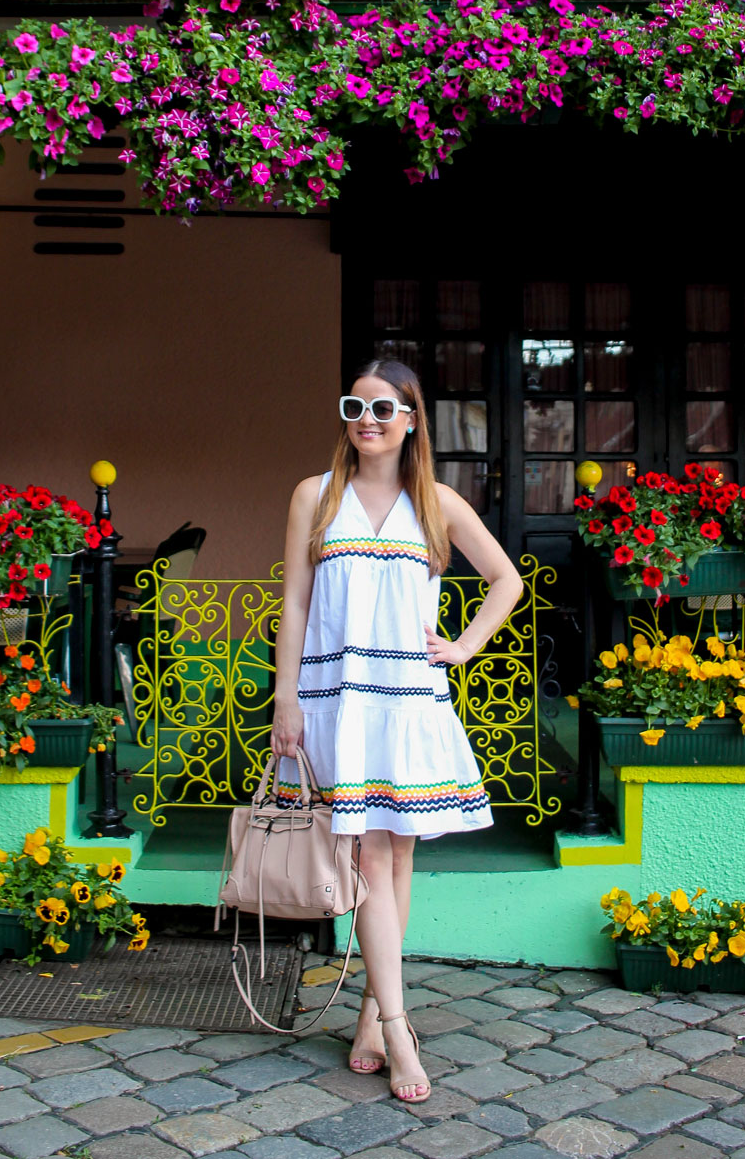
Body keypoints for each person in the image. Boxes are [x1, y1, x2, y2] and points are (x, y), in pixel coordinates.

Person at [269, 359, 523, 1104]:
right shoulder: (314, 496)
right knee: (372, 864)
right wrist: (286, 698)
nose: (368, 419)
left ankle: (375, 1017)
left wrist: (465, 643)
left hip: (408, 700)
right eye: (356, 405)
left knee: (397, 862)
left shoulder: (436, 502)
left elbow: (505, 579)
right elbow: (293, 603)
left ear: (412, 419)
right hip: (337, 700)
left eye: (385, 408)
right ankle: (399, 1027)